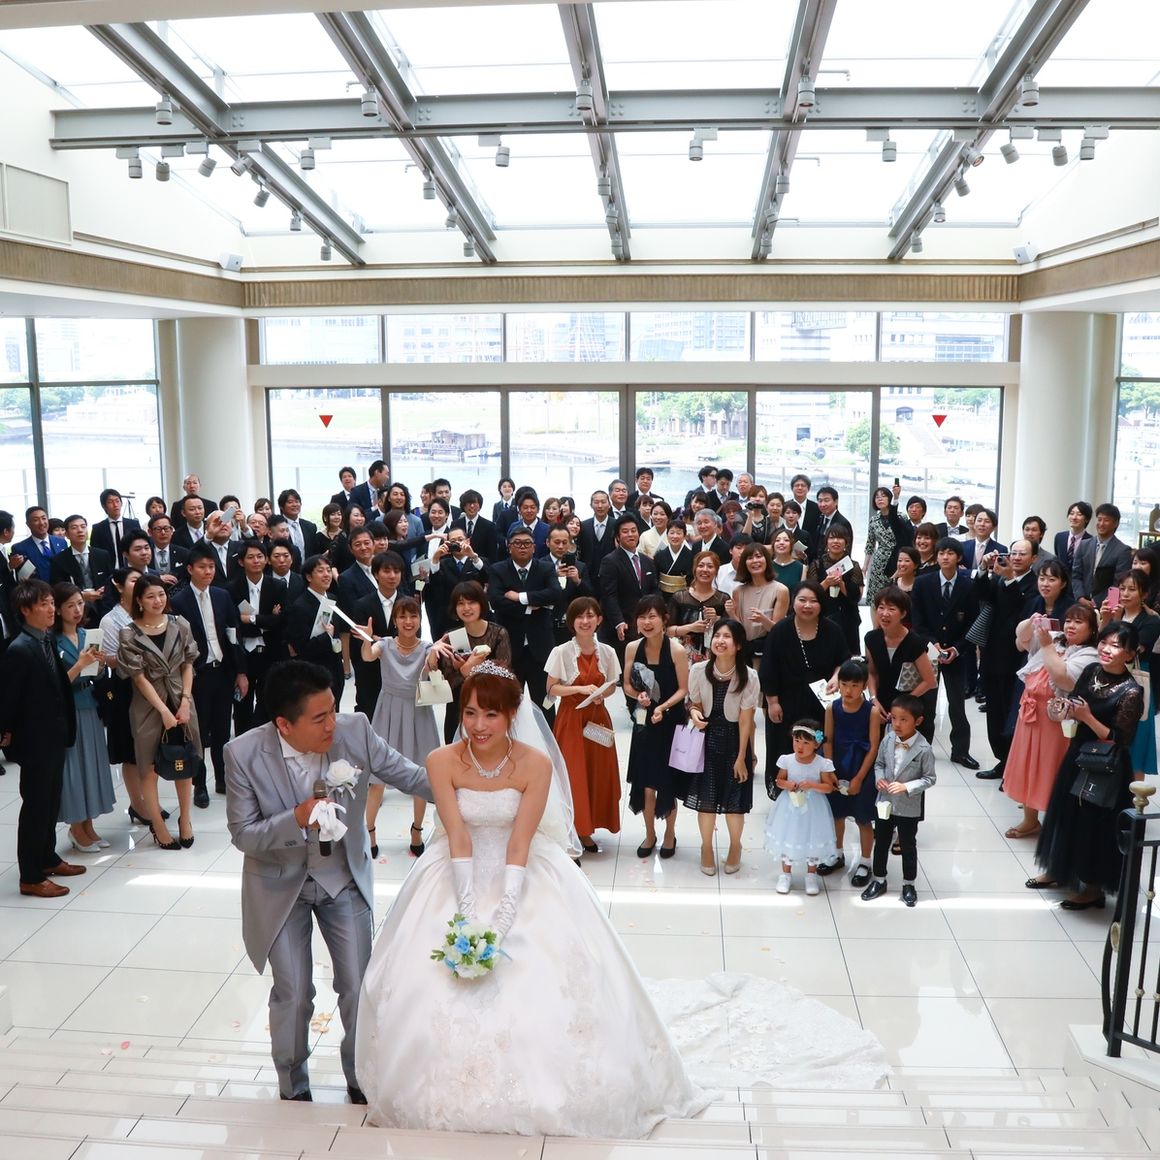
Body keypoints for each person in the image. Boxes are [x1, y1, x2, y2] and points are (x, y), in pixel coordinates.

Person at [353, 663, 706, 1133]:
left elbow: (520, 841)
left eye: (491, 715)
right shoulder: (441, 760)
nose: (478, 725)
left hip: (522, 869)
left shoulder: (535, 764)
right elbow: (457, 834)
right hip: (456, 868)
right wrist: (466, 912)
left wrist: (503, 915)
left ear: (512, 715)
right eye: (470, 713)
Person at [224, 658, 430, 1103]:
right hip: (280, 885)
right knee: (295, 991)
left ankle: (360, 1076)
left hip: (342, 878)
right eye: (319, 718)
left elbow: (409, 775)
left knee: (358, 985)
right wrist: (296, 819)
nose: (332, 724)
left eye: (333, 709)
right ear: (284, 724)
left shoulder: (355, 731)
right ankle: (292, 1082)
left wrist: (474, 788)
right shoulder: (243, 753)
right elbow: (244, 835)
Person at [1031, 623, 1143, 909]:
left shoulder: (1132, 691)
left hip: (1106, 765)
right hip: (1079, 754)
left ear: (1130, 654)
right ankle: (1060, 870)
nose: (1106, 649)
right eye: (1104, 642)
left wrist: (1087, 717)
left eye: (1116, 646)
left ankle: (1092, 889)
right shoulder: (1091, 671)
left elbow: (1121, 738)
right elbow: (1074, 704)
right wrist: (1063, 710)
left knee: (1094, 824)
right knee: (1067, 813)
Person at [0, 579, 83, 898]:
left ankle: (47, 857)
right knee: (35, 807)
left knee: (50, 802)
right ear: (25, 610)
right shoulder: (19, 649)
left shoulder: (46, 638)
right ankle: (30, 876)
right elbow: (8, 701)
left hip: (55, 735)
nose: (51, 609)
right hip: (35, 741)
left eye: (51, 602)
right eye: (44, 604)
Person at [118, 575, 201, 850]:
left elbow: (188, 663)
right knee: (149, 768)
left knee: (184, 759)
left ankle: (185, 820)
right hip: (148, 705)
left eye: (161, 595)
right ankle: (158, 824)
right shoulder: (129, 633)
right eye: (151, 596)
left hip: (181, 698)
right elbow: (138, 678)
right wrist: (164, 710)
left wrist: (185, 701)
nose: (158, 601)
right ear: (139, 601)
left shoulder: (180, 623)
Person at [1003, 603, 1099, 839]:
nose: (1071, 626)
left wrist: (1046, 645)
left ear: (1092, 629)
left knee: (1051, 769)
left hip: (1057, 722)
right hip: (1030, 714)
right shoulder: (1055, 639)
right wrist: (1031, 622)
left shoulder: (1090, 654)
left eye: (1079, 622)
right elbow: (1021, 638)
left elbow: (1063, 679)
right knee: (1027, 765)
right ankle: (1030, 820)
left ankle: (1058, 823)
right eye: (1069, 620)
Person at [171, 539, 249, 807]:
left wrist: (240, 672)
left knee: (222, 729)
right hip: (197, 674)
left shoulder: (222, 595)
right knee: (199, 732)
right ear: (190, 569)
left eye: (212, 566)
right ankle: (200, 783)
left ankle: (222, 778)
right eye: (202, 566)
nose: (208, 571)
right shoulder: (178, 601)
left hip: (223, 671)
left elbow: (234, 636)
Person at [361, 597, 439, 858]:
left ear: (420, 620)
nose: (408, 621)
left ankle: (417, 830)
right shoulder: (384, 644)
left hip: (418, 712)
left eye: (413, 616)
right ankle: (369, 830)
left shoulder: (427, 647)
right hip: (389, 711)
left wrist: (437, 653)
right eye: (403, 616)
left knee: (421, 775)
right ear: (394, 620)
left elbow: (434, 667)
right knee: (377, 779)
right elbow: (367, 656)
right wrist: (367, 639)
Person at [760, 581, 851, 798]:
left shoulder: (832, 630)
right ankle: (785, 793)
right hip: (786, 702)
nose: (807, 605)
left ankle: (819, 791)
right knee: (785, 746)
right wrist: (772, 702)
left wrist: (836, 677)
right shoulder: (780, 630)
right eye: (802, 600)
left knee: (819, 744)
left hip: (821, 703)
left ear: (821, 604)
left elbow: (843, 660)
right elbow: (768, 668)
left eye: (813, 601)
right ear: (793, 602)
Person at [546, 596, 622, 854]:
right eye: (580, 616)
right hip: (571, 719)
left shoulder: (608, 652)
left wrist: (601, 694)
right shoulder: (561, 652)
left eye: (590, 616)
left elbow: (611, 686)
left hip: (598, 718)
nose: (585, 621)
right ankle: (575, 829)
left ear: (599, 620)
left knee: (597, 772)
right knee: (573, 774)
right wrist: (579, 689)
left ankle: (589, 827)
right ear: (571, 622)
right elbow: (551, 688)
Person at [685, 617, 760, 875]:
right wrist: (694, 714)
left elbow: (746, 720)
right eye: (717, 635)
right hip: (706, 741)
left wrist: (742, 757)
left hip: (735, 741)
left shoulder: (749, 676)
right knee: (706, 800)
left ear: (738, 645)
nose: (720, 640)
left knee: (734, 802)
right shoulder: (698, 670)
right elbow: (694, 704)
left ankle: (735, 846)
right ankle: (706, 847)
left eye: (727, 636)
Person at [52, 583, 115, 853]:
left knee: (92, 765)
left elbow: (95, 675)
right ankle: (76, 827)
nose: (77, 610)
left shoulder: (86, 635)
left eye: (80, 603)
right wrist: (80, 665)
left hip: (90, 705)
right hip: (69, 710)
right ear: (58, 609)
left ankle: (88, 825)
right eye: (70, 605)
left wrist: (98, 664)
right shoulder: (52, 641)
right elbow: (56, 684)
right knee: (74, 769)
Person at [623, 596, 689, 859]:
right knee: (646, 785)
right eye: (642, 617)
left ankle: (670, 834)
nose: (646, 622)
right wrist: (637, 695)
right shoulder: (632, 648)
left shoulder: (676, 650)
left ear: (664, 619)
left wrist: (663, 707)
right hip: (644, 723)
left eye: (652, 616)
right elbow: (627, 684)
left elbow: (683, 689)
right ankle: (650, 834)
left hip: (670, 722)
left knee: (667, 782)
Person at [859, 694, 936, 908]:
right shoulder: (887, 739)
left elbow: (930, 778)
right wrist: (879, 778)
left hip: (908, 806)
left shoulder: (924, 749)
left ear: (917, 721)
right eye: (894, 718)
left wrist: (906, 787)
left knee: (908, 844)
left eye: (904, 719)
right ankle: (879, 879)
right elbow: (879, 764)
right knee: (882, 841)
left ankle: (908, 884)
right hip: (885, 802)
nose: (897, 724)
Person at [910, 538, 980, 770]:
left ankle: (960, 751)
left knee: (957, 704)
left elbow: (973, 623)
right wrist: (933, 644)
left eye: (950, 553)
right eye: (941, 553)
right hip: (929, 653)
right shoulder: (923, 583)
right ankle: (922, 750)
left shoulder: (968, 585)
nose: (945, 557)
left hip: (957, 654)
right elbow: (917, 621)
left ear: (958, 557)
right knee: (926, 704)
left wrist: (957, 649)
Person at [823, 659, 881, 888]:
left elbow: (874, 747)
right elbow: (827, 740)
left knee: (863, 817)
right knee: (836, 814)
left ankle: (865, 861)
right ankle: (837, 853)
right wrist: (829, 769)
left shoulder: (871, 711)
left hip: (861, 767)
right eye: (844, 684)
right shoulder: (832, 708)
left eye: (855, 685)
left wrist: (858, 778)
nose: (848, 690)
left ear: (864, 686)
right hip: (838, 765)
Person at [1098, 568, 1160, 779]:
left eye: (1131, 589)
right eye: (1122, 588)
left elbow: (1129, 652)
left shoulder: (1151, 621)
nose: (1124, 594)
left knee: (1137, 739)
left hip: (1137, 681)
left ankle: (1134, 795)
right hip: (1108, 677)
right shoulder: (1114, 613)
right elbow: (1101, 644)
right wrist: (1106, 619)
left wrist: (1116, 621)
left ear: (1144, 594)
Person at [433, 580, 512, 743]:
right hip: (459, 707)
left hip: (491, 706)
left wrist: (469, 668)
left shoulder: (499, 634)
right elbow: (448, 684)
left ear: (481, 604)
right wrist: (465, 669)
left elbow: (504, 676)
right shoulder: (450, 637)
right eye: (461, 603)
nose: (466, 608)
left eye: (471, 602)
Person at [766, 720, 838, 895]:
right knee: (789, 834)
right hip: (790, 805)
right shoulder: (787, 760)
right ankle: (786, 874)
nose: (800, 746)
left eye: (806, 742)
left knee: (812, 836)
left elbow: (829, 787)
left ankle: (811, 875)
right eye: (796, 741)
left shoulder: (822, 763)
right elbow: (779, 780)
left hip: (814, 807)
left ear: (816, 745)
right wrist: (788, 784)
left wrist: (813, 785)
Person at [865, 586, 937, 743]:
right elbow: (872, 672)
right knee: (880, 748)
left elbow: (930, 681)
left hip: (910, 705)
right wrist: (873, 699)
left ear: (903, 613)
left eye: (891, 609)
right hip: (882, 704)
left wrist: (902, 705)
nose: (885, 613)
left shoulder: (915, 642)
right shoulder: (871, 638)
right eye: (881, 607)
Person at [283, 554, 343, 708]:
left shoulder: (332, 598)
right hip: (314, 673)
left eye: (328, 570)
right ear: (309, 577)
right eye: (320, 571)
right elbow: (302, 647)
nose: (327, 575)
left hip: (335, 668)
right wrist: (327, 636)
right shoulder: (300, 606)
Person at [725, 542, 788, 658]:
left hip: (768, 650)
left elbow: (778, 631)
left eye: (758, 556)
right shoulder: (738, 591)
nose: (755, 561)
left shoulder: (780, 590)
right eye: (750, 558)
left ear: (767, 560)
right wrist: (731, 614)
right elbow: (739, 629)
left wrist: (763, 620)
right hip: (743, 650)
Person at [810, 523, 863, 654]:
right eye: (832, 538)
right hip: (822, 616)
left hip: (848, 618)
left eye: (840, 538)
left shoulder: (853, 565)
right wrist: (826, 583)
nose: (835, 541)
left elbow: (857, 597)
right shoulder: (817, 564)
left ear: (846, 543)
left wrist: (842, 585)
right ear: (826, 542)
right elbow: (811, 593)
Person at [667, 550, 727, 664]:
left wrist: (717, 619)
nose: (705, 569)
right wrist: (690, 628)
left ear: (716, 571)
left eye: (710, 566)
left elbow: (730, 631)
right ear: (695, 569)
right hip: (683, 657)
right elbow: (667, 630)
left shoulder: (722, 599)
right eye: (701, 566)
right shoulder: (680, 597)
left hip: (714, 656)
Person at [1071, 503, 1133, 607]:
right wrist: (1080, 597)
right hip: (1081, 603)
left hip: (1107, 605)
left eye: (1106, 520)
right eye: (1099, 519)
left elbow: (1119, 583)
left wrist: (1098, 602)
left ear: (1116, 523)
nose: (1101, 523)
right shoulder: (1084, 545)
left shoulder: (1123, 550)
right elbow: (1076, 575)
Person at [862, 485, 908, 604]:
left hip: (897, 558)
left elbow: (906, 539)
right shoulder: (874, 520)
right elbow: (870, 544)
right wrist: (865, 566)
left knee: (896, 595)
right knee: (876, 596)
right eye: (877, 497)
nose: (880, 499)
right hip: (879, 561)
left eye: (883, 496)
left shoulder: (901, 516)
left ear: (889, 498)